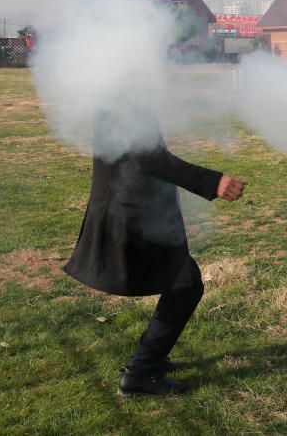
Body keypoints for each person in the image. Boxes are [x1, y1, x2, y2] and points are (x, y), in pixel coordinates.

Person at [63, 126, 246, 397]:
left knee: (184, 283)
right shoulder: (123, 89)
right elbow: (148, 156)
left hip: (134, 207)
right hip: (131, 213)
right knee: (185, 285)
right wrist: (212, 181)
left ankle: (148, 363)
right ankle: (141, 373)